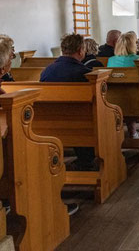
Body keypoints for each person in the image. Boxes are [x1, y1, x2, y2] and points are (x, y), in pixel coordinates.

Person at [41, 34, 94, 177]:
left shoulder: (47, 71)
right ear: (80, 50)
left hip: (48, 123)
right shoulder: (84, 73)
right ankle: (88, 161)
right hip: (80, 125)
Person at [108, 32, 139, 139]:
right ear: (133, 45)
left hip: (116, 100)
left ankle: (130, 131)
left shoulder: (111, 60)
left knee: (126, 94)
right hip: (137, 101)